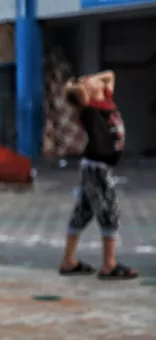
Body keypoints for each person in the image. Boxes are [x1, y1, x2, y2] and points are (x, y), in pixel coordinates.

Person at [60, 70, 137, 280]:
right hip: (97, 168)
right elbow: (74, 91)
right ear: (86, 93)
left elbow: (110, 75)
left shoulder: (106, 100)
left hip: (97, 167)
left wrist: (91, 80)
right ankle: (109, 266)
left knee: (83, 212)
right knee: (109, 213)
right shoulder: (89, 107)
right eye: (90, 83)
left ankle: (69, 261)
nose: (97, 82)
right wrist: (75, 85)